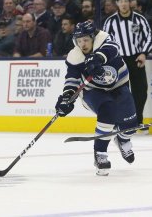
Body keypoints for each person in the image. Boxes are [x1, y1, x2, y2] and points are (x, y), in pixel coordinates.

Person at [55, 20, 137, 176]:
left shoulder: (105, 39)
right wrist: (66, 97)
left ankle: (123, 139)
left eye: (86, 39)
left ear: (93, 37)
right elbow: (71, 79)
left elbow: (112, 49)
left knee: (130, 123)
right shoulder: (75, 56)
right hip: (93, 91)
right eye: (79, 41)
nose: (83, 44)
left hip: (119, 86)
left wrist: (98, 59)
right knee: (108, 110)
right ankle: (100, 154)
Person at [103, 0, 152, 133]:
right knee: (120, 93)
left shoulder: (139, 19)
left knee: (140, 91)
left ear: (130, 3)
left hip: (136, 59)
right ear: (117, 3)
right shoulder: (110, 21)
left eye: (126, 1)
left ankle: (138, 121)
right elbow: (105, 42)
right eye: (121, 1)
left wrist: (144, 53)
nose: (124, 4)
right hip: (119, 61)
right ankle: (121, 122)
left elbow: (149, 38)